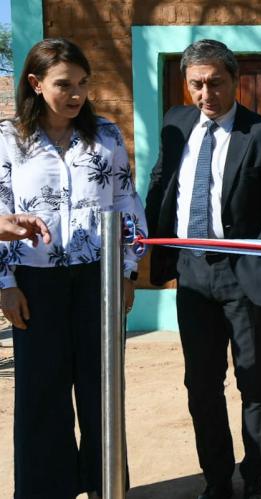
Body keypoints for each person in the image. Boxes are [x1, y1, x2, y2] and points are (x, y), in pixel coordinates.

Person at [144, 39, 261, 499]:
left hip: (246, 276)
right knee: (202, 384)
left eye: (215, 82)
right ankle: (216, 478)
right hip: (193, 274)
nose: (205, 93)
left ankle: (255, 474)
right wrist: (153, 254)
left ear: (235, 80)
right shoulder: (175, 123)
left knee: (254, 378)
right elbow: (161, 184)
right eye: (196, 83)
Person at [0, 38, 146, 498]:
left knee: (102, 391)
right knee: (42, 396)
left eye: (83, 83)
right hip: (34, 284)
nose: (76, 93)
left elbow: (126, 203)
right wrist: (4, 283)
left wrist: (125, 271)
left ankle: (107, 489)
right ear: (35, 84)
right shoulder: (8, 140)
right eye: (64, 84)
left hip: (97, 281)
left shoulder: (105, 134)